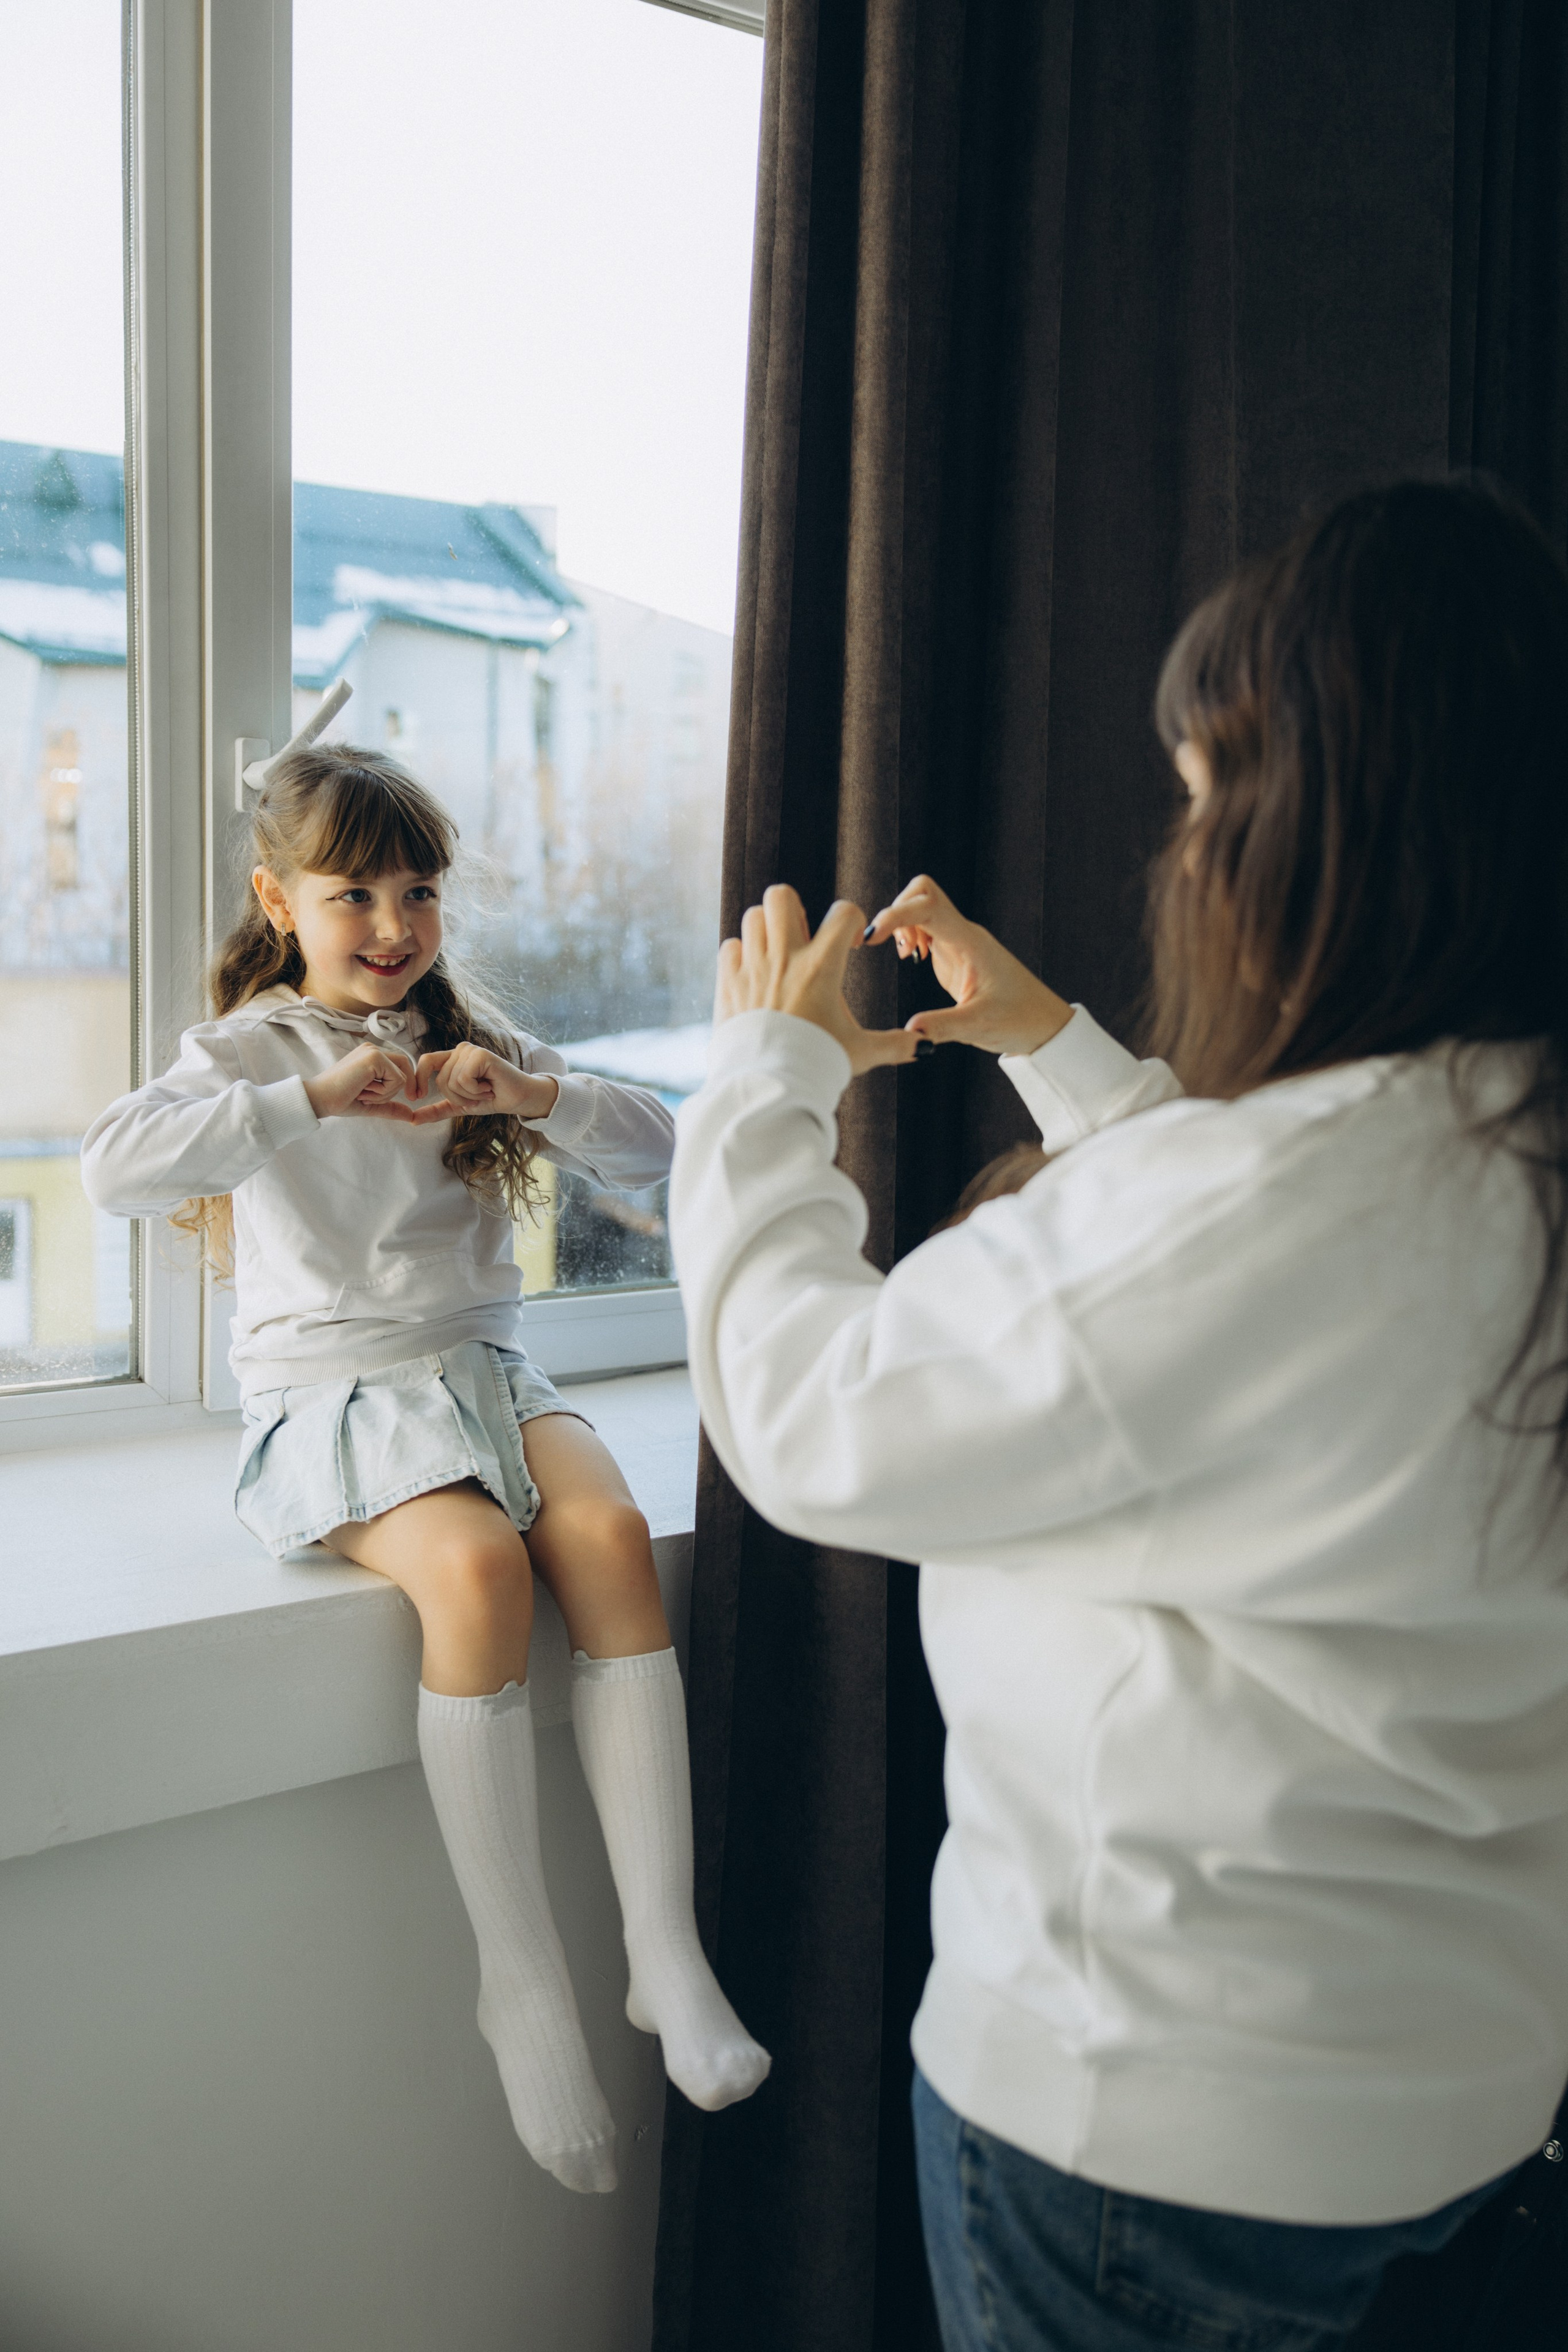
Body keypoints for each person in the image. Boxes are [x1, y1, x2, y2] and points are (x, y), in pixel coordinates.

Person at [668, 479, 1568, 2347]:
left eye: (1207, 802)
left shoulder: (1267, 1209)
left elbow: (811, 1412)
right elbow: (1275, 1314)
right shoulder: (1505, 1154)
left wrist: (764, 1078)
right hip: (1459, 2102)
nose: (1190, 860)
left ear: (1326, 831)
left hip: (1153, 2137)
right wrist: (1061, 1051)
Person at [81, 744, 769, 2195]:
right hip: (333, 1394)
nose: (392, 925)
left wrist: (527, 1090)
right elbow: (115, 1171)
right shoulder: (253, 1051)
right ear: (279, 900)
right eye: (353, 895)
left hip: (487, 1375)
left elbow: (655, 1148)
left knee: (610, 1537)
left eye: (418, 891)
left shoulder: (460, 1032)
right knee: (472, 1570)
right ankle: (520, 1989)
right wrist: (313, 1101)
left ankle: (664, 1952)